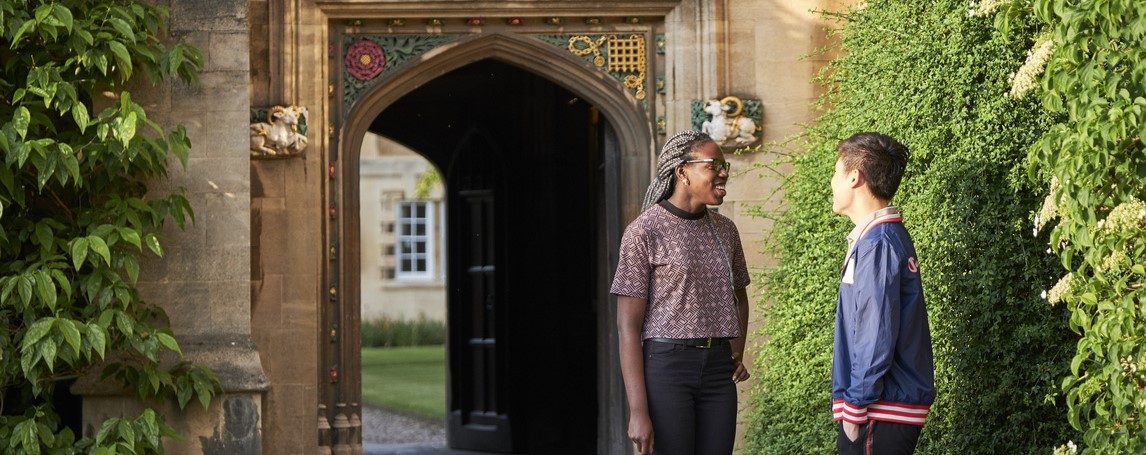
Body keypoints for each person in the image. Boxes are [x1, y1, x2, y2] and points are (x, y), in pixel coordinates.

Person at [610, 131, 751, 455]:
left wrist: (736, 352)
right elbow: (627, 328)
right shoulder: (643, 232)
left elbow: (739, 295)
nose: (723, 171)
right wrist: (638, 412)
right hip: (667, 369)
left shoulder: (726, 229)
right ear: (682, 171)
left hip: (718, 371)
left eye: (724, 164)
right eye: (713, 164)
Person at [829, 132, 935, 454]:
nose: (832, 183)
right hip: (883, 406)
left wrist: (856, 405)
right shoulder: (879, 238)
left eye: (835, 173)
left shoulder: (879, 244)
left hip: (880, 407)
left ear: (854, 177)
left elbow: (874, 332)